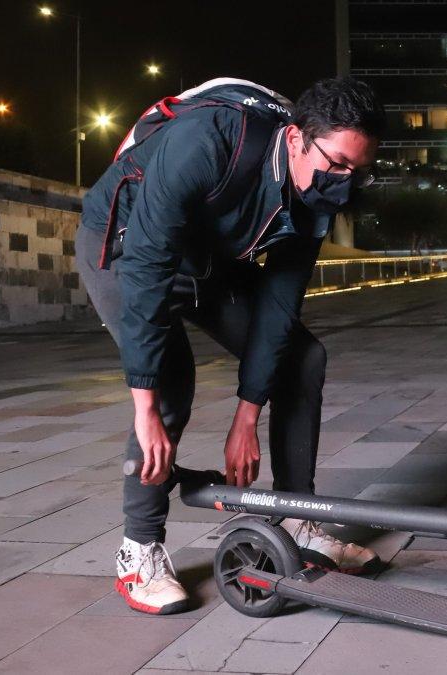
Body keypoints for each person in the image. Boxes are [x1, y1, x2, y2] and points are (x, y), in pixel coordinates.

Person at [76, 77, 384, 614]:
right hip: (128, 246)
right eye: (336, 164)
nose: (343, 182)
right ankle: (139, 550)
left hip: (209, 260)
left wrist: (247, 415)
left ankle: (295, 517)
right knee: (170, 381)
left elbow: (280, 305)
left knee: (303, 357)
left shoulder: (320, 189)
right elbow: (149, 265)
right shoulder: (208, 140)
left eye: (357, 171)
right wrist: (144, 403)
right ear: (294, 139)